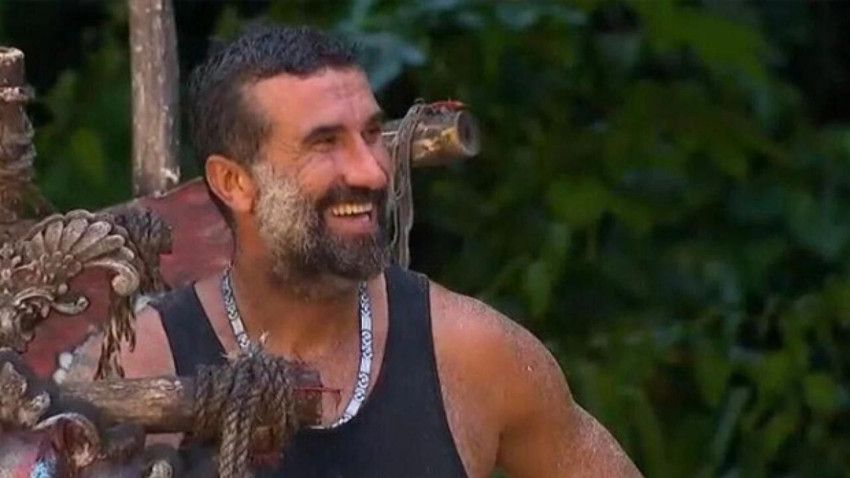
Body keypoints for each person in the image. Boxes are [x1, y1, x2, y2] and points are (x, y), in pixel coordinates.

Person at [115, 25, 641, 477]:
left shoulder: (474, 356)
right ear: (234, 182)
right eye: (325, 144)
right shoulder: (140, 368)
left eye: (370, 134)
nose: (372, 171)